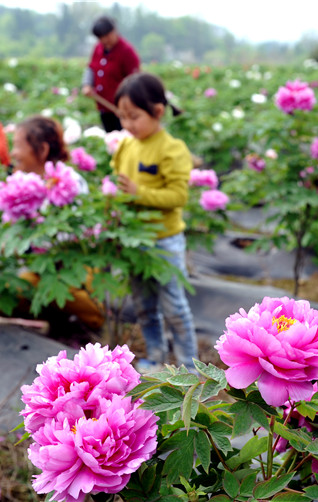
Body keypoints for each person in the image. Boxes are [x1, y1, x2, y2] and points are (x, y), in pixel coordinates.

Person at [110, 72, 199, 372]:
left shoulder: (171, 149)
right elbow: (117, 182)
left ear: (157, 112)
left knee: (174, 307)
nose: (127, 124)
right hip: (135, 240)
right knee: (144, 307)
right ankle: (155, 357)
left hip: (164, 241)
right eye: (122, 117)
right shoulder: (126, 146)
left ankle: (189, 368)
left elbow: (178, 196)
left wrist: (139, 193)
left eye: (133, 116)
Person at [8, 115, 102, 331]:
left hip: (73, 264)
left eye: (17, 146)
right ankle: (56, 315)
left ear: (42, 149)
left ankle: (76, 316)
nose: (12, 154)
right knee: (2, 295)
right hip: (39, 267)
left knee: (82, 303)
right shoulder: (20, 183)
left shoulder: (71, 182)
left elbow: (74, 239)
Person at [81, 16, 140, 133]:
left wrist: (127, 105)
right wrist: (87, 84)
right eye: (101, 38)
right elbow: (91, 68)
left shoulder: (127, 51)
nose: (105, 40)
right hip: (104, 105)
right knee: (110, 138)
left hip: (121, 109)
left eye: (107, 36)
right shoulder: (98, 48)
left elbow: (135, 81)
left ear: (114, 31)